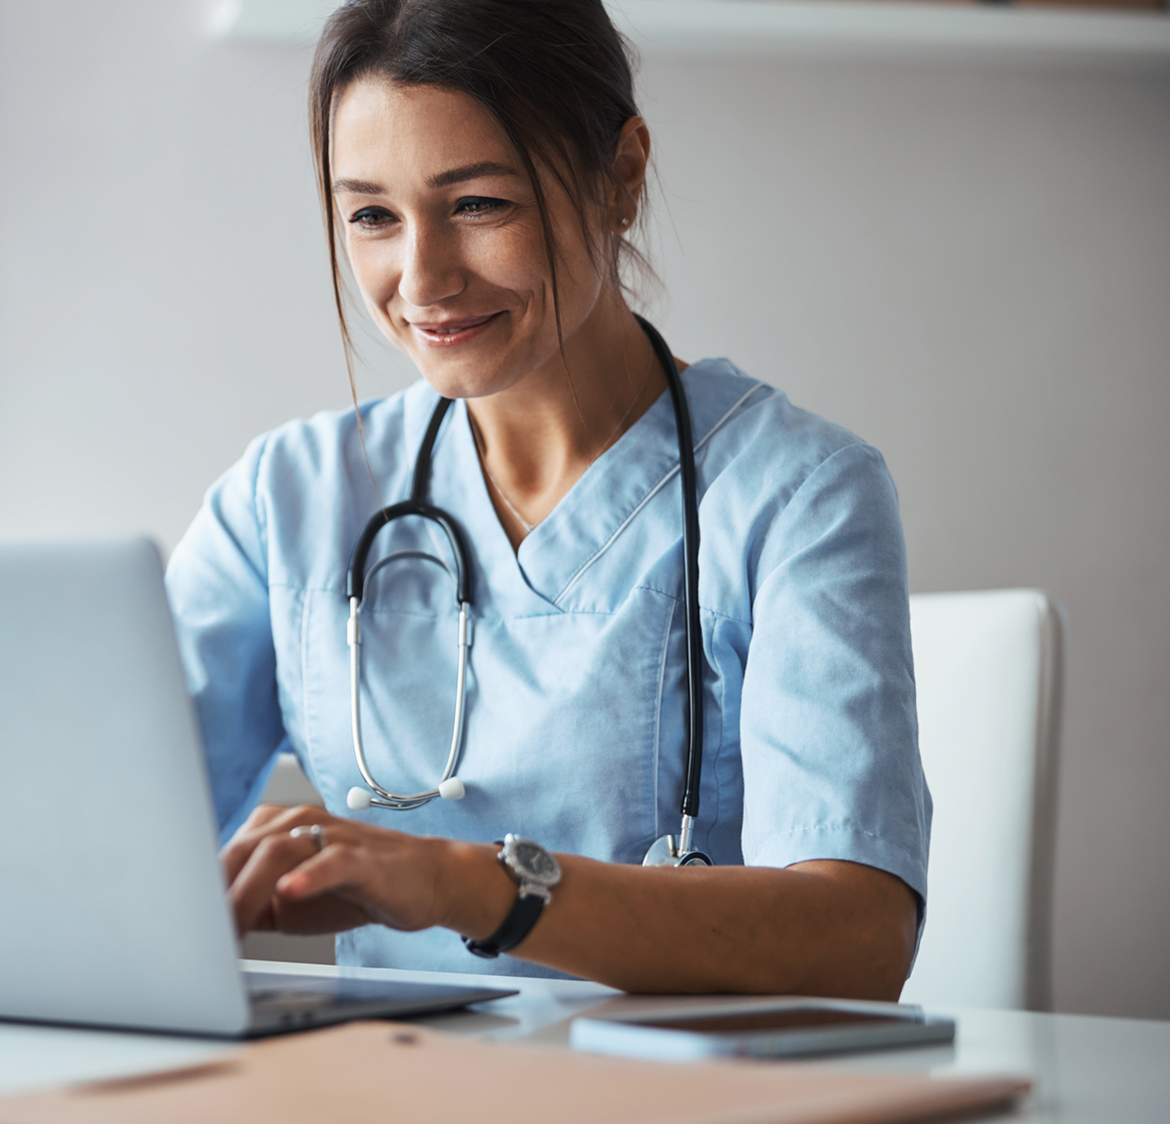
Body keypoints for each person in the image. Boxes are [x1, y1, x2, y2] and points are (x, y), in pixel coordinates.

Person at [163, 0, 930, 1000]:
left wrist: (465, 880)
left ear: (620, 175)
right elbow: (101, 834)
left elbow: (856, 938)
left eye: (477, 203)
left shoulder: (798, 495)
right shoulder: (288, 498)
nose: (421, 277)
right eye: (370, 216)